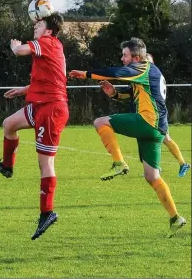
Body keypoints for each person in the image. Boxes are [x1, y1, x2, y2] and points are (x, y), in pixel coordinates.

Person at [69, 38, 186, 238]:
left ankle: (119, 163)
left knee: (100, 122)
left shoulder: (143, 67)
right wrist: (114, 94)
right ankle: (176, 218)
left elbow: (116, 73)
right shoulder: (148, 73)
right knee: (152, 176)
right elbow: (133, 97)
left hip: (148, 123)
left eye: (125, 55)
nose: (122, 59)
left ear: (137, 57)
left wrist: (86, 74)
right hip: (157, 130)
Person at [0, 13, 69, 240]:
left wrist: (15, 46)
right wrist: (24, 90)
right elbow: (48, 78)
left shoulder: (48, 42)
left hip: (51, 109)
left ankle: (47, 212)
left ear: (49, 30)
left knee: (45, 163)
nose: (35, 27)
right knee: (8, 124)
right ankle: (7, 167)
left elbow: (21, 51)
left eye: (38, 24)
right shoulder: (49, 46)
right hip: (39, 103)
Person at [100, 52, 190, 177]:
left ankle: (178, 164)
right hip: (152, 115)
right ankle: (158, 168)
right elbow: (126, 94)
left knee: (163, 139)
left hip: (154, 117)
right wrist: (114, 93)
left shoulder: (148, 78)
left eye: (146, 62)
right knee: (156, 139)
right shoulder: (147, 79)